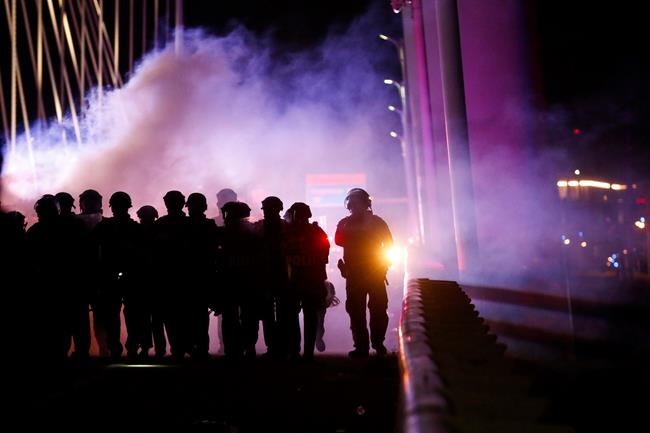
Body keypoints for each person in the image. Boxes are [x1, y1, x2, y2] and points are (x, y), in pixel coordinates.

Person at [335, 188, 393, 357]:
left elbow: (389, 243)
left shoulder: (377, 222)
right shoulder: (345, 223)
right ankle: (361, 346)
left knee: (378, 309)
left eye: (357, 203)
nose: (354, 207)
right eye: (352, 204)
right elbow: (338, 239)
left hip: (374, 272)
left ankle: (377, 343)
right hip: (355, 274)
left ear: (365, 204)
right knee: (356, 311)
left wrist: (384, 263)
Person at [93, 192, 143, 360]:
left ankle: (117, 347)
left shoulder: (103, 227)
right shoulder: (135, 228)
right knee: (128, 314)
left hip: (115, 276)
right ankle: (128, 347)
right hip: (125, 276)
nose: (118, 209)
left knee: (116, 315)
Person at [286, 202, 330, 361]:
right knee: (306, 316)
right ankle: (305, 351)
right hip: (305, 280)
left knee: (299, 316)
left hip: (302, 280)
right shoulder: (315, 232)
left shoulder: (289, 232)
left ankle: (299, 350)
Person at [253, 196, 288, 358]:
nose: (267, 212)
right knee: (272, 313)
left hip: (272, 274)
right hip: (272, 274)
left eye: (268, 209)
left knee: (273, 313)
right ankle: (277, 347)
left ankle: (275, 347)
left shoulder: (260, 227)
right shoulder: (285, 227)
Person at [185, 193, 219, 359]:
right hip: (202, 275)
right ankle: (199, 347)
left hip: (194, 276)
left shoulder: (184, 226)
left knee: (193, 315)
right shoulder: (209, 225)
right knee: (198, 315)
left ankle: (194, 347)